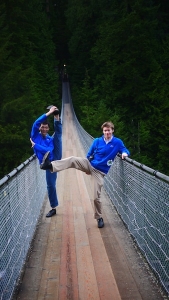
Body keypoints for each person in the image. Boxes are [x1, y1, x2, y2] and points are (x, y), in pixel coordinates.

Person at [40, 121, 129, 228]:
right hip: (89, 164)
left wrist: (124, 154)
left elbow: (124, 149)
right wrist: (86, 168)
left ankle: (99, 217)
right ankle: (50, 166)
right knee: (73, 159)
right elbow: (89, 154)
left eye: (109, 130)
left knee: (96, 197)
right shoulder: (97, 141)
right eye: (105, 131)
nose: (107, 133)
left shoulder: (117, 142)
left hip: (99, 172)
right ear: (103, 131)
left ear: (112, 130)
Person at [30, 105, 62, 217]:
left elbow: (50, 150)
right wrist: (48, 113)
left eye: (46, 128)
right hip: (49, 165)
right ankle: (53, 208)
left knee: (58, 136)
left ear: (48, 129)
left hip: (56, 158)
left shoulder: (49, 138)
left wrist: (36, 146)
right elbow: (36, 122)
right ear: (39, 128)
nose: (44, 129)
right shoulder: (34, 136)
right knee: (51, 185)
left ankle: (57, 116)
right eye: (42, 127)